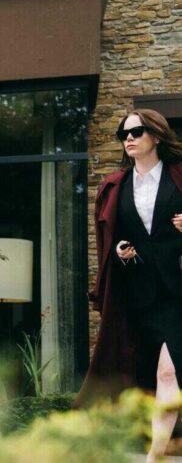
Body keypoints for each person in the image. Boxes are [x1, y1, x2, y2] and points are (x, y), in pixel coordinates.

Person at [75, 109, 182, 462]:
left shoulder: (179, 176)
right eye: (124, 133)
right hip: (136, 293)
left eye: (136, 132)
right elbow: (113, 237)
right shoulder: (114, 186)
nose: (129, 138)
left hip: (177, 292)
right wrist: (121, 249)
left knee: (168, 371)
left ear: (156, 135)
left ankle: (155, 454)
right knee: (141, 374)